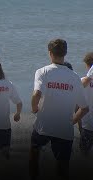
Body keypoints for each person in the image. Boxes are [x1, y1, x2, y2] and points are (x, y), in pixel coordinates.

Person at [30, 39, 89, 179]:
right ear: (66, 53)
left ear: (50, 53)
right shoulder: (74, 77)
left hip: (43, 125)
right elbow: (85, 108)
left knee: (34, 155)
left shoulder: (42, 71)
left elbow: (36, 94)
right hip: (64, 128)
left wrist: (34, 109)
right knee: (62, 167)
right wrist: (72, 121)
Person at [78, 52, 93, 156]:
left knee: (84, 155)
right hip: (86, 125)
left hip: (87, 125)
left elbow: (76, 106)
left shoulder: (81, 82)